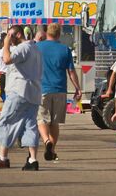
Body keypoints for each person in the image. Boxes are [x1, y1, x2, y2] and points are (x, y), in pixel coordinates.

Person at [0, 25, 43, 171]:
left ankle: (2, 158)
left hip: (19, 91)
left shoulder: (22, 48)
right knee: (30, 125)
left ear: (17, 35)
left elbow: (7, 59)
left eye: (10, 35)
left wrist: (5, 44)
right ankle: (32, 160)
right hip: (33, 93)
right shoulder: (35, 49)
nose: (8, 39)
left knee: (6, 122)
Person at [36, 23, 82, 161]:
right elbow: (71, 71)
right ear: (59, 34)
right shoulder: (65, 50)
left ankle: (46, 141)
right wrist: (77, 88)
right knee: (54, 123)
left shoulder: (38, 47)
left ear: (46, 33)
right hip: (60, 89)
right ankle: (53, 149)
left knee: (41, 119)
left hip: (41, 89)